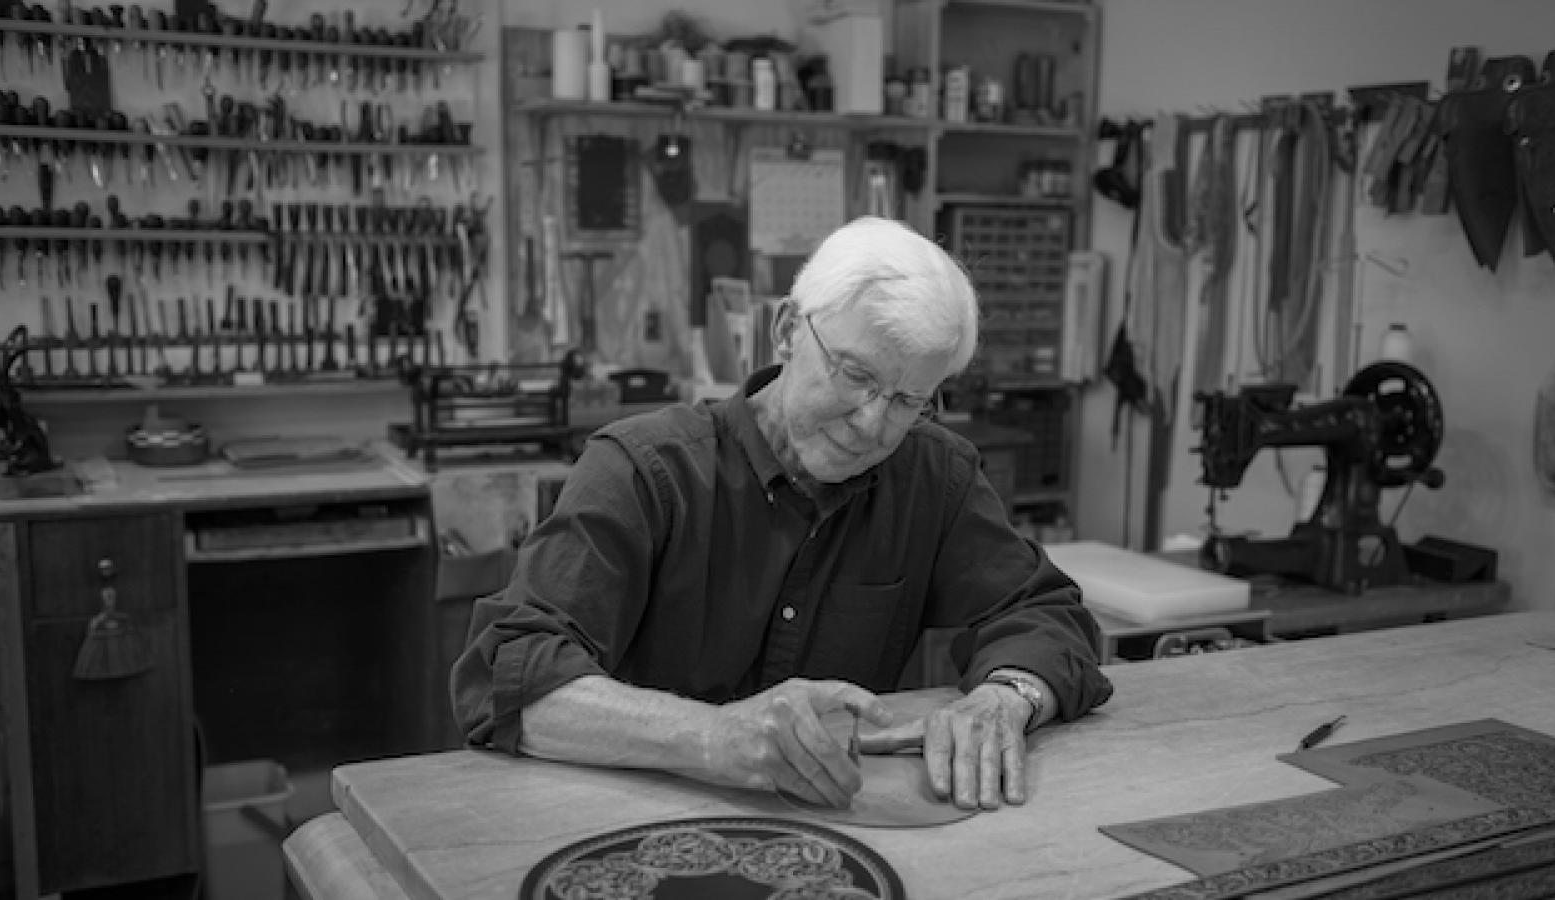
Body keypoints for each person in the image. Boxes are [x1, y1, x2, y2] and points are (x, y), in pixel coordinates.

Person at [452, 215, 1113, 811]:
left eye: (909, 399)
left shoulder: (934, 477)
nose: (872, 424)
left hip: (836, 830)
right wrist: (714, 737)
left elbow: (1046, 614)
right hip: (629, 821)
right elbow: (509, 678)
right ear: (789, 330)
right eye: (855, 376)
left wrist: (1006, 698)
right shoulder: (644, 471)